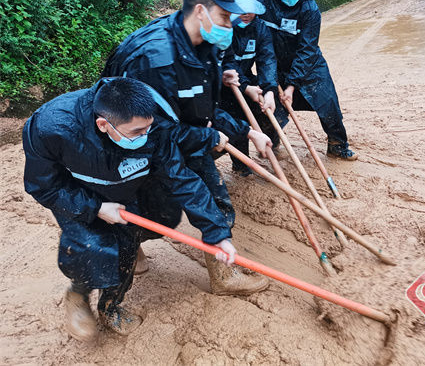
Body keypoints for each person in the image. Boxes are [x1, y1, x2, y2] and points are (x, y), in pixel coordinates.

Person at [22, 77, 269, 342]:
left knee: (132, 240)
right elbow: (43, 186)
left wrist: (218, 235)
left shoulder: (153, 126)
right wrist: (95, 207)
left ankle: (109, 307)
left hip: (127, 186)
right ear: (103, 125)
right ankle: (79, 293)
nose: (145, 136)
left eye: (147, 129)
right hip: (80, 191)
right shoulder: (51, 127)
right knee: (93, 246)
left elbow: (181, 179)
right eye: (136, 132)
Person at [102, 0, 273, 269]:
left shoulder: (205, 44)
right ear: (200, 11)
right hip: (135, 138)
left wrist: (247, 133)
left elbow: (203, 110)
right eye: (224, 17)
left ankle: (222, 273)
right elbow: (160, 135)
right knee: (156, 208)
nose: (229, 26)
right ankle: (127, 245)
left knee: (213, 196)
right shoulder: (154, 60)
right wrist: (210, 138)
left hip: (175, 129)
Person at [259, 0, 358, 160]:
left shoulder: (310, 8)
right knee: (269, 107)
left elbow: (307, 49)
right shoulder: (261, 1)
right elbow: (262, 46)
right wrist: (275, 84)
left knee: (328, 102)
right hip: (276, 64)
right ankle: (271, 143)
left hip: (309, 63)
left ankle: (337, 145)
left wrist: (292, 85)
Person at [220, 0, 287, 176]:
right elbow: (226, 62)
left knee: (272, 108)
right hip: (224, 84)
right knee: (236, 118)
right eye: (241, 8)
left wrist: (269, 91)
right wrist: (245, 88)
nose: (246, 13)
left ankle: (271, 141)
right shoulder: (223, 28)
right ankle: (241, 166)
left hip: (248, 80)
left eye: (251, 8)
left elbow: (267, 59)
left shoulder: (260, 28)